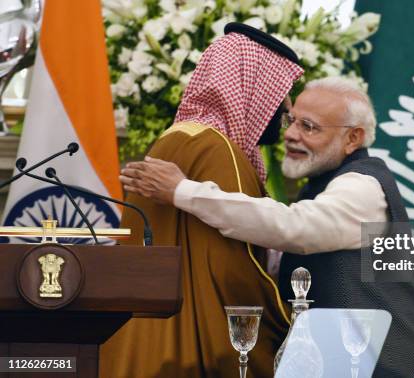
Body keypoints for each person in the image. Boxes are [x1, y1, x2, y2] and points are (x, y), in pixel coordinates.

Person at [120, 76, 414, 377]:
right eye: (292, 121)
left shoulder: (363, 186)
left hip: (378, 366)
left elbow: (294, 226)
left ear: (353, 138)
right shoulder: (326, 182)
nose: (291, 134)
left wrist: (183, 191)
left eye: (309, 127)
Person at [99, 23, 303, 378]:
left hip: (139, 342)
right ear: (252, 86)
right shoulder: (220, 151)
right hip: (193, 350)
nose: (287, 107)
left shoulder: (171, 139)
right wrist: (287, 315)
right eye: (283, 91)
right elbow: (233, 270)